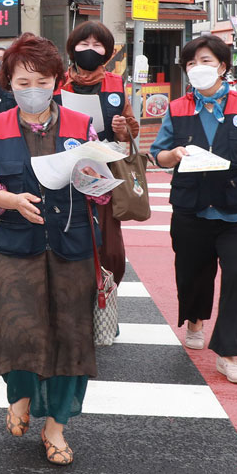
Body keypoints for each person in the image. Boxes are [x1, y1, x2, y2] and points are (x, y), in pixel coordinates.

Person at [0, 33, 107, 466]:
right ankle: (21, 395)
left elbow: (102, 194)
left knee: (70, 337)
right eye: (22, 81)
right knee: (16, 328)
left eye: (41, 80)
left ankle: (56, 427)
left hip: (72, 246)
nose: (33, 89)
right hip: (17, 246)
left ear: (57, 81)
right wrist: (7, 199)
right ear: (7, 82)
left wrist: (93, 178)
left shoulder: (80, 126)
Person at [150, 35, 237, 386]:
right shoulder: (177, 108)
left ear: (222, 65)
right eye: (190, 63)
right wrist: (171, 156)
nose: (197, 68)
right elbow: (159, 153)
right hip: (191, 207)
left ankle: (229, 354)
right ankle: (194, 319)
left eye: (204, 61)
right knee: (192, 274)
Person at [55, 21, 139, 285]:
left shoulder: (115, 83)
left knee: (109, 243)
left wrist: (122, 128)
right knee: (70, 232)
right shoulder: (59, 83)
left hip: (106, 171)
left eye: (97, 45)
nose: (90, 50)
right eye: (84, 44)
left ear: (107, 52)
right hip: (66, 168)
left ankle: (106, 288)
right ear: (72, 49)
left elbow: (129, 131)